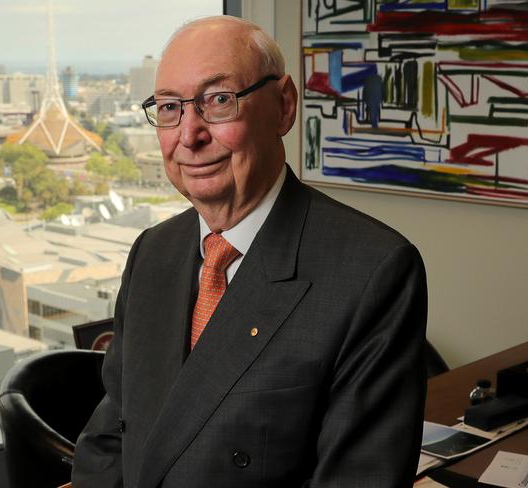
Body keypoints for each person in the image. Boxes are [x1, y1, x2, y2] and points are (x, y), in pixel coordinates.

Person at [73, 15, 427, 488]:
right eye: (169, 107)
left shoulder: (373, 272)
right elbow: (110, 436)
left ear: (284, 107)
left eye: (219, 101)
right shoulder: (151, 253)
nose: (189, 135)